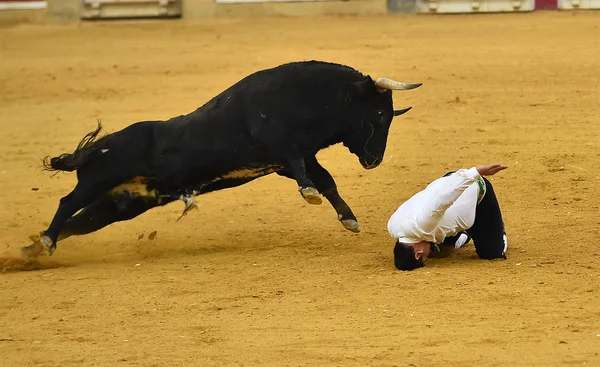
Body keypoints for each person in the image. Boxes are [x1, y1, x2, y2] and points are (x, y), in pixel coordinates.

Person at [387, 164, 509, 271]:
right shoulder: (393, 227)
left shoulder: (423, 225)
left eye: (425, 258)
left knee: (492, 253)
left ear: (417, 254)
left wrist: (475, 172)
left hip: (474, 191)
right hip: (448, 182)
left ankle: (498, 230)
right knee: (437, 247)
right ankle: (463, 235)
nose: (427, 256)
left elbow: (442, 199)